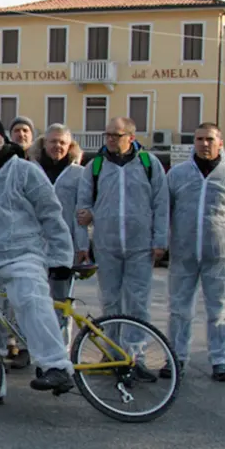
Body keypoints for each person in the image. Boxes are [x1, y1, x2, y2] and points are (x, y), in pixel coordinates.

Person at [0, 113, 75, 405]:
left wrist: (61, 257)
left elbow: (50, 212)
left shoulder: (25, 171)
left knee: (31, 302)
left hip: (23, 254)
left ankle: (56, 366)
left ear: (3, 138)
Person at [76, 116, 167, 382]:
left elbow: (161, 205)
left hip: (141, 246)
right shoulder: (95, 166)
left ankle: (134, 357)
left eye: (116, 135)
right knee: (110, 302)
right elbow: (82, 207)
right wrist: (84, 243)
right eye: (108, 135)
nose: (110, 140)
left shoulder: (150, 165)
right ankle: (112, 353)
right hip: (107, 246)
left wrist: (160, 240)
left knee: (138, 303)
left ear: (131, 137)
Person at [164, 122, 225, 382]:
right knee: (179, 309)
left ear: (220, 143)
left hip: (219, 255)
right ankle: (176, 357)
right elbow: (166, 209)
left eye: (210, 139)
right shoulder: (177, 174)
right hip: (183, 253)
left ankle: (220, 360)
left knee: (219, 309)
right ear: (194, 143)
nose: (204, 144)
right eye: (199, 139)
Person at [28, 124, 88, 348]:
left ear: (70, 146)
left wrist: (83, 246)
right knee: (34, 302)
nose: (57, 146)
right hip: (34, 247)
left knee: (62, 304)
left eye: (62, 142)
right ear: (44, 144)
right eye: (53, 141)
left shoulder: (79, 174)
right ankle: (36, 351)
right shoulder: (30, 170)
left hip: (65, 247)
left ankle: (62, 352)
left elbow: (82, 212)